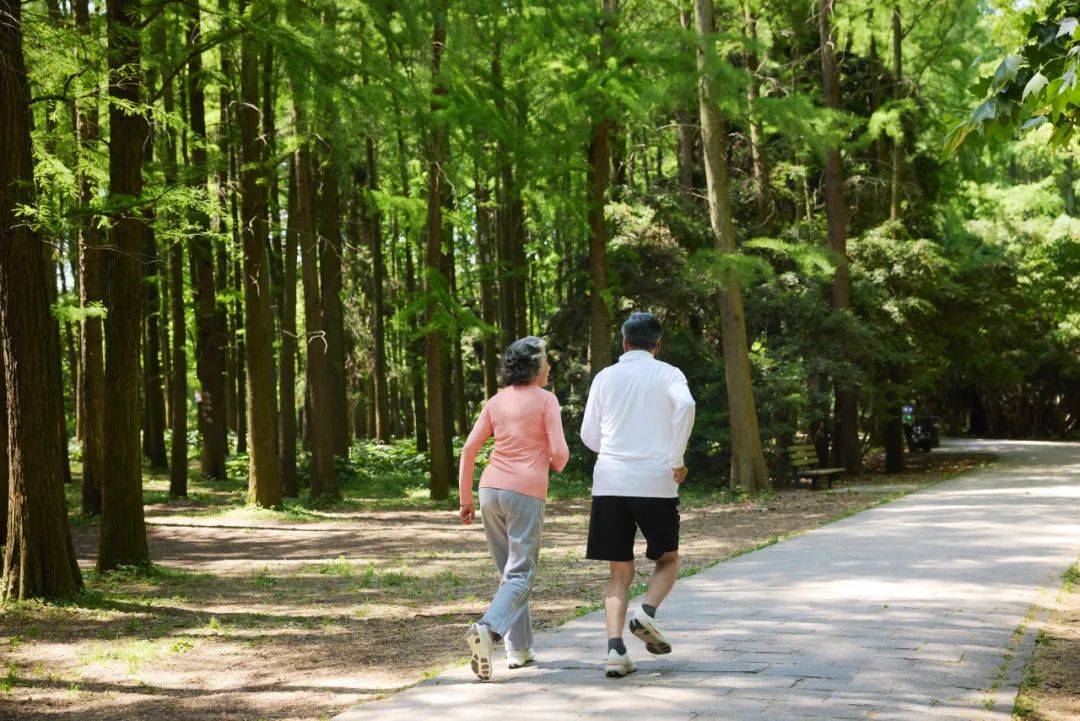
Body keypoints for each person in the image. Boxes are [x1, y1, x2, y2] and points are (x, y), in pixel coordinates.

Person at [580, 312, 696, 678]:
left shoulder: (604, 377)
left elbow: (589, 435)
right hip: (655, 483)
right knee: (668, 559)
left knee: (619, 573)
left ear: (624, 342)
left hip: (610, 483)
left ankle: (615, 653)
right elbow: (687, 406)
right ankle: (645, 614)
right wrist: (676, 457)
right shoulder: (668, 373)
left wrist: (612, 450)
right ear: (657, 344)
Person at [458, 336, 569, 681]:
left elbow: (469, 449)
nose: (550, 366)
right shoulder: (547, 400)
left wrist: (465, 500)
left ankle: (518, 650)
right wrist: (553, 462)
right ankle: (488, 629)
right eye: (546, 360)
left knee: (509, 573)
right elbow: (561, 455)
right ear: (535, 367)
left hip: (490, 490)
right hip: (525, 492)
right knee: (521, 572)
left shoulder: (495, 401)